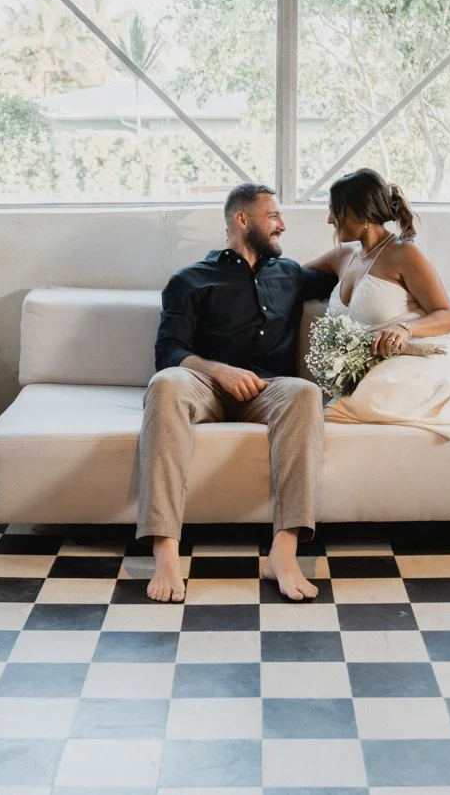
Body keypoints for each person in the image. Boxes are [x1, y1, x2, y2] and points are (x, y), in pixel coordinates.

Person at [136, 183, 337, 603]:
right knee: (165, 384)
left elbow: (350, 266)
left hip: (269, 389)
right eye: (273, 216)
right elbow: (168, 352)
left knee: (304, 392)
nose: (282, 224)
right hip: (205, 386)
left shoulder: (291, 274)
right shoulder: (189, 280)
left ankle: (284, 552)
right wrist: (219, 371)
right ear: (242, 220)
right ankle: (166, 551)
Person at [305, 168, 450, 437]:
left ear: (361, 212)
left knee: (364, 400)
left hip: (421, 354)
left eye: (335, 210)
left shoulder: (404, 253)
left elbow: (448, 316)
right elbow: (289, 275)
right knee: (345, 403)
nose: (329, 219)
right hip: (376, 365)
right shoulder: (343, 256)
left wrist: (405, 329)